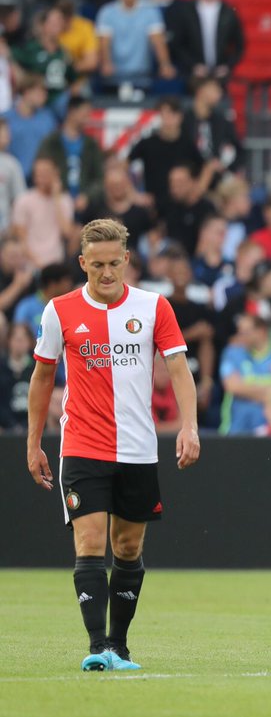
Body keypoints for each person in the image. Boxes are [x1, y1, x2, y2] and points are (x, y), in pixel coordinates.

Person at [25, 218, 199, 672]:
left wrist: (190, 427)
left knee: (127, 547)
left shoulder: (154, 306)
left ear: (126, 259)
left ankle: (119, 646)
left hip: (138, 448)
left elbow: (178, 369)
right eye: (97, 264)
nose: (106, 273)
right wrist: (33, 442)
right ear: (83, 263)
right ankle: (97, 645)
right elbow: (42, 377)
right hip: (82, 445)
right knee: (89, 541)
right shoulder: (59, 311)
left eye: (114, 263)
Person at [218, 313, 271, 435]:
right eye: (239, 332)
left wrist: (246, 390)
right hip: (236, 430)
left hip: (269, 433)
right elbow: (233, 386)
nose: (240, 336)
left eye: (245, 332)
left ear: (261, 332)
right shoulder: (232, 353)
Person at [166, 0, 245, 84]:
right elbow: (177, 44)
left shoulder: (228, 12)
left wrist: (227, 66)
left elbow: (239, 45)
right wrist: (192, 66)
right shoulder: (186, 11)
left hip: (220, 77)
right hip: (194, 77)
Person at [96, 0, 174, 90]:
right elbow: (104, 42)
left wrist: (165, 64)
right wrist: (106, 63)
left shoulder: (150, 12)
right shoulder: (107, 12)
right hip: (113, 75)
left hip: (142, 75)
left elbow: (157, 41)